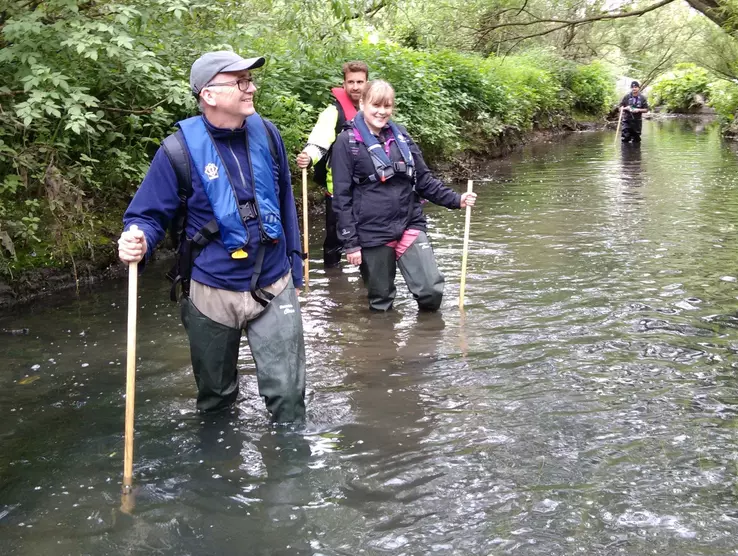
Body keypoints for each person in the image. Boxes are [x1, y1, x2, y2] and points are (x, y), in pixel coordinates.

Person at [117, 51, 306, 424]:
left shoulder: (268, 135)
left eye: (250, 80)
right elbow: (146, 215)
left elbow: (286, 203)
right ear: (209, 94)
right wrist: (135, 237)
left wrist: (296, 268)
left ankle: (291, 475)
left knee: (288, 397)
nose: (250, 88)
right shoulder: (177, 151)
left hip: (274, 279)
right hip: (210, 288)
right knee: (215, 401)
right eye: (240, 81)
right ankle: (222, 470)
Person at [331, 79, 477, 312]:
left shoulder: (402, 137)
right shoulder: (346, 143)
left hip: (409, 221)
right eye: (376, 105)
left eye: (387, 106)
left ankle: (429, 341)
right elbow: (341, 197)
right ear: (362, 104)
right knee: (381, 301)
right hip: (372, 231)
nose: (382, 112)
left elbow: (424, 179)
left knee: (431, 290)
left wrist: (456, 200)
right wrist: (351, 244)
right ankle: (382, 345)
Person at [296, 61, 369, 267]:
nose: (355, 86)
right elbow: (318, 142)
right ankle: (332, 282)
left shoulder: (374, 110)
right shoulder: (332, 112)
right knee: (335, 241)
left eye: (360, 82)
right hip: (338, 189)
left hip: (369, 190)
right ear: (344, 84)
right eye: (351, 82)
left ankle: (368, 287)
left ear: (367, 83)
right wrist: (308, 157)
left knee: (370, 240)